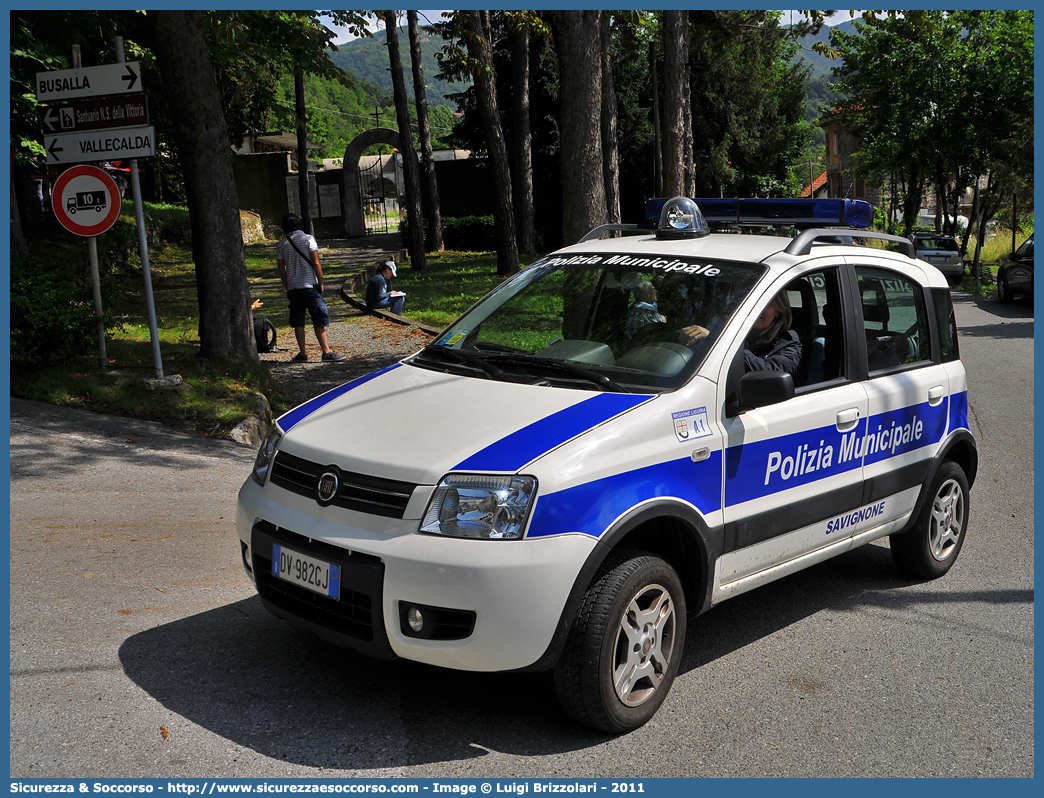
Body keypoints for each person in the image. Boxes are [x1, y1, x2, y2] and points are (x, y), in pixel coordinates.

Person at [276, 213, 345, 363]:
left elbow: (281, 268)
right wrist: (321, 282)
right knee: (318, 318)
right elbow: (316, 263)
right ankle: (326, 351)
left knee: (298, 321)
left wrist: (286, 284)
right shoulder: (308, 239)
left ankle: (302, 353)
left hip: (293, 287)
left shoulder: (281, 244)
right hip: (309, 285)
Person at [743, 290, 801, 375]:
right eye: (752, 302)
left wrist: (736, 350)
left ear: (778, 310)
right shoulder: (730, 335)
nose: (757, 309)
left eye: (766, 303)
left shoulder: (789, 344)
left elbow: (772, 374)